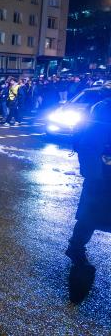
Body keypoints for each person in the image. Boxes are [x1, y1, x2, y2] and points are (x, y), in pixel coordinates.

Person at [66, 96, 111, 266]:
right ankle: (76, 247)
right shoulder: (104, 109)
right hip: (102, 173)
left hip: (100, 171)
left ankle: (76, 246)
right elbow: (90, 144)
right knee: (91, 212)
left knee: (92, 212)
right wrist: (95, 173)